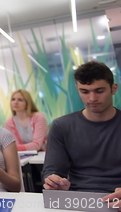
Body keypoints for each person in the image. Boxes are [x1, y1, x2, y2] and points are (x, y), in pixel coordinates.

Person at [43, 61, 121, 194]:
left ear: (113, 88)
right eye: (84, 91)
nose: (92, 98)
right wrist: (54, 181)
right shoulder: (61, 126)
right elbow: (53, 170)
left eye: (99, 91)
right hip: (79, 198)